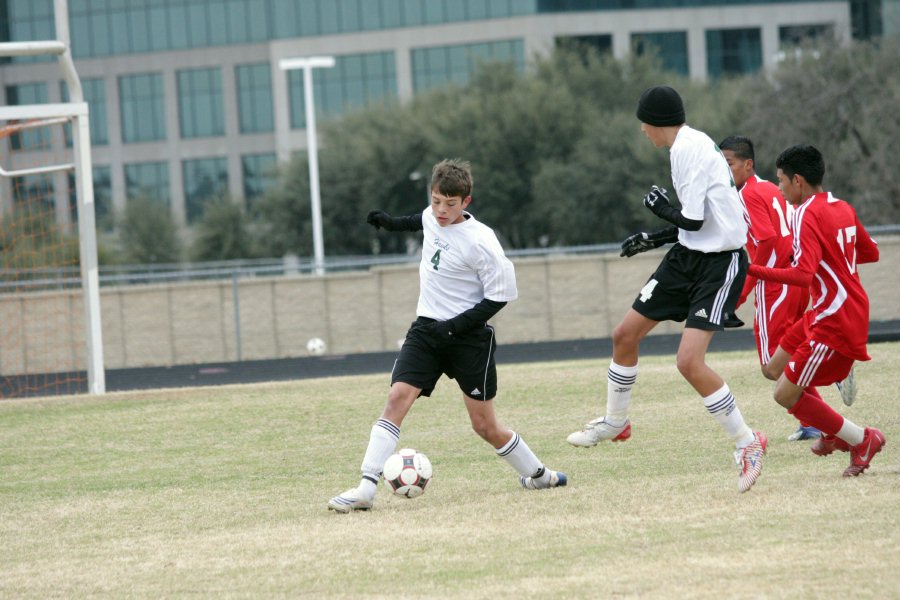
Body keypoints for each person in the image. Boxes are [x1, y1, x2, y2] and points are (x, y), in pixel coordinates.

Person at [328, 158, 566, 513]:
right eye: (436, 200)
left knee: (485, 426)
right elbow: (420, 222)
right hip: (426, 331)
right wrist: (391, 223)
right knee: (396, 399)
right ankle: (366, 488)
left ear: (465, 202)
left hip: (468, 338)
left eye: (450, 204)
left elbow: (500, 295)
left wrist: (455, 326)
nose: (440, 210)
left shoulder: (482, 241)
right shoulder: (431, 215)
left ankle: (539, 475)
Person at [567, 85, 767, 493]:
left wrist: (659, 209)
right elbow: (695, 222)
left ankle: (748, 442)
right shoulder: (685, 146)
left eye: (645, 122)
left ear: (657, 122)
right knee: (624, 335)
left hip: (720, 263)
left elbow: (692, 220)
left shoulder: (688, 149)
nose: (643, 130)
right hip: (687, 257)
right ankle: (616, 422)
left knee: (688, 363)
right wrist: (655, 236)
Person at [747, 144, 884, 477]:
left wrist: (751, 270)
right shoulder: (842, 207)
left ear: (798, 181)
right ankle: (830, 429)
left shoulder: (807, 213)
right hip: (823, 312)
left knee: (784, 394)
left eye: (781, 181)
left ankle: (861, 439)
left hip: (833, 320)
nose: (778, 189)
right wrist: (835, 264)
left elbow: (801, 276)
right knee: (772, 367)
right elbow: (871, 253)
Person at [718, 135, 820, 442]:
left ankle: (824, 380)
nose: (725, 171)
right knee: (789, 349)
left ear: (748, 165)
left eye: (729, 164)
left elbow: (765, 241)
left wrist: (746, 288)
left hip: (775, 282)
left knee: (772, 364)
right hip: (797, 277)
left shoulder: (748, 194)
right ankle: (811, 421)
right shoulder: (773, 188)